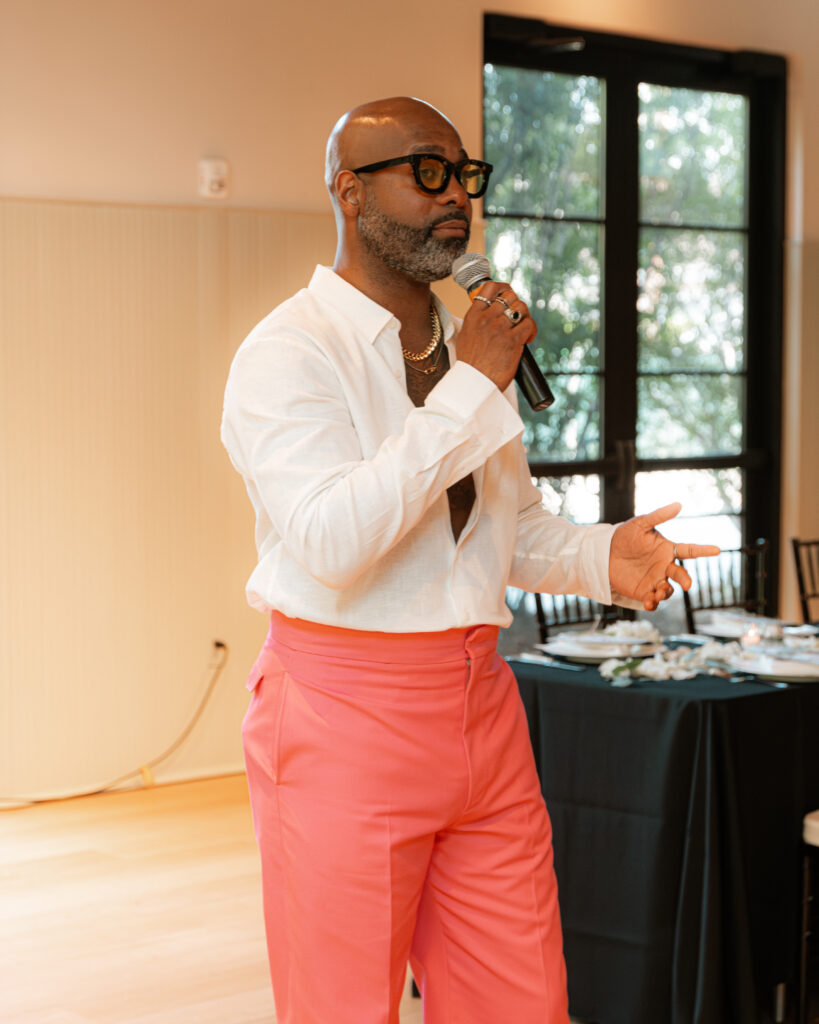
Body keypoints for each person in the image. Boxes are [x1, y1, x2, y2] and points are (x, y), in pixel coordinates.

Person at [221, 96, 719, 1024]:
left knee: (522, 999)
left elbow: (504, 529)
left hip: (482, 709)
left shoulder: (460, 352)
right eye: (428, 172)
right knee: (342, 1007)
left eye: (464, 174)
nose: (456, 196)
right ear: (349, 191)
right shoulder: (288, 352)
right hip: (341, 714)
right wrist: (471, 387)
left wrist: (602, 556)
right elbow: (331, 541)